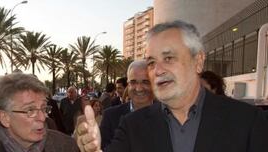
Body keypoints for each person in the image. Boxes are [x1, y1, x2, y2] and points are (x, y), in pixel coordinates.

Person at [76, 20, 268, 152]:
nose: (157, 70)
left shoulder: (247, 121)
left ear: (198, 61)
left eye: (168, 58)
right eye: (151, 62)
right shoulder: (132, 126)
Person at [0, 73, 79, 152]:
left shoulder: (67, 146)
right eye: (30, 110)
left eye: (43, 108)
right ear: (4, 117)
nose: (42, 117)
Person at [100, 60, 154, 149]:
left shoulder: (167, 115)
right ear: (128, 85)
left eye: (145, 82)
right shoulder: (110, 117)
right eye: (133, 82)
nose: (139, 88)